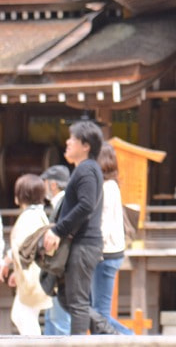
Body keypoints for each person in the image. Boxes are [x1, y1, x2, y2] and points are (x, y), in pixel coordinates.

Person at [42, 120, 116, 335]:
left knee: (77, 302)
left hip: (85, 243)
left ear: (86, 145)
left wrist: (58, 230)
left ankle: (89, 340)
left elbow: (86, 205)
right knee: (68, 298)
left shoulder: (86, 170)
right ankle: (107, 334)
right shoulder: (85, 169)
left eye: (72, 139)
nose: (67, 142)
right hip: (82, 243)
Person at [1, 174, 53, 335]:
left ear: (20, 195)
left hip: (33, 276)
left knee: (23, 317)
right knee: (22, 315)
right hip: (36, 274)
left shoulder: (28, 217)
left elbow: (22, 248)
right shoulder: (38, 214)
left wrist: (6, 263)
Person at [91, 143, 133, 335]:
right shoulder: (110, 186)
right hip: (108, 252)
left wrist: (93, 251)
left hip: (105, 254)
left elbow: (104, 224)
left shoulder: (107, 188)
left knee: (99, 312)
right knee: (97, 311)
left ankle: (131, 339)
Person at [40, 164, 72, 335]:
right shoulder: (61, 203)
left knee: (60, 322)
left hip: (61, 268)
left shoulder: (64, 204)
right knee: (53, 320)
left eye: (44, 182)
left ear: (53, 184)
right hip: (57, 267)